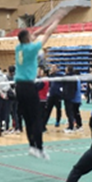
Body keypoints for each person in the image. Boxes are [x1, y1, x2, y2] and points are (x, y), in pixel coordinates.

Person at [15, 16, 61, 159]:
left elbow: (34, 34)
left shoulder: (19, 48)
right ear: (28, 39)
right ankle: (39, 148)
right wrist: (55, 21)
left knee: (27, 118)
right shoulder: (32, 48)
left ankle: (32, 146)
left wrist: (45, 24)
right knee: (36, 119)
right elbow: (47, 35)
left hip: (18, 87)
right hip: (29, 86)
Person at [62, 66, 82, 133]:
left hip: (73, 99)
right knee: (75, 113)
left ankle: (72, 126)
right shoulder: (75, 79)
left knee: (72, 112)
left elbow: (75, 89)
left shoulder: (71, 79)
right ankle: (77, 125)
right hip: (74, 98)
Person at [44, 64, 64, 129]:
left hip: (58, 95)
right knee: (48, 109)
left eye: (54, 67)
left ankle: (57, 121)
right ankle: (44, 123)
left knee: (58, 109)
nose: (52, 68)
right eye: (52, 67)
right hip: (51, 95)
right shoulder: (50, 76)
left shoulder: (60, 75)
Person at [37, 66, 50, 132]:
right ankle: (42, 126)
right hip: (43, 98)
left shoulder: (44, 81)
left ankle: (41, 127)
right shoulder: (45, 80)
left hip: (41, 99)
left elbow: (37, 87)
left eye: (41, 71)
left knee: (40, 114)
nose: (40, 72)